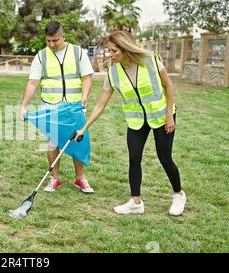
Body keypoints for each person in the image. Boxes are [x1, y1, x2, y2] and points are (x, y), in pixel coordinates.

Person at [75, 31, 186, 216]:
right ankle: (136, 202)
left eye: (114, 51)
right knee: (134, 158)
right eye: (109, 51)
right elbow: (100, 105)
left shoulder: (150, 60)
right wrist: (83, 129)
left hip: (161, 117)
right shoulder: (113, 73)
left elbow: (169, 86)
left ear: (125, 49)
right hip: (136, 121)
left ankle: (179, 194)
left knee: (165, 158)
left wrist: (169, 115)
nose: (111, 55)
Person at [19, 21, 95, 193]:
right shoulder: (41, 56)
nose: (52, 44)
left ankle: (80, 178)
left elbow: (88, 78)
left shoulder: (78, 52)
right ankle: (55, 178)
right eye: (48, 41)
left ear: (63, 37)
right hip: (50, 106)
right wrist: (23, 106)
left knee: (77, 140)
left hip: (74, 106)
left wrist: (84, 96)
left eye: (55, 40)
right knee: (53, 142)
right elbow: (32, 83)